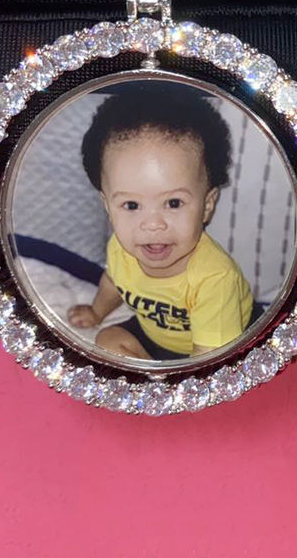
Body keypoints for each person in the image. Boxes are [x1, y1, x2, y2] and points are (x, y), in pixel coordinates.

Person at [67, 80, 252, 361]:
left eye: (173, 203)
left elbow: (211, 358)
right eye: (131, 205)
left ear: (207, 205)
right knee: (107, 340)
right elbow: (113, 283)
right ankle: (153, 371)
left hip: (218, 342)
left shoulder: (215, 279)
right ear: (107, 206)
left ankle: (160, 377)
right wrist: (96, 312)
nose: (153, 225)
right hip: (155, 335)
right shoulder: (120, 247)